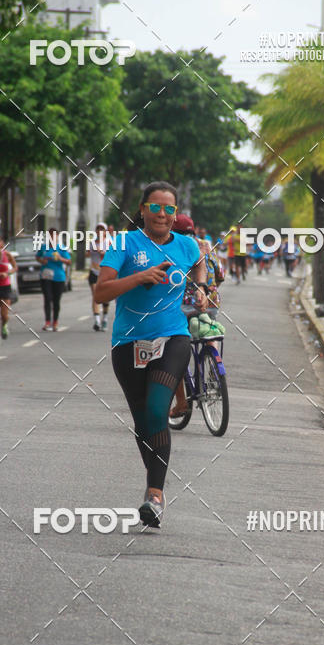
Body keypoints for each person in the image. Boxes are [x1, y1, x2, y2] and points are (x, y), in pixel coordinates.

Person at [94, 181, 207, 528]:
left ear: (176, 214)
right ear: (142, 209)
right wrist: (139, 276)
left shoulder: (186, 245)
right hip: (127, 343)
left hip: (172, 336)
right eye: (155, 207)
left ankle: (154, 495)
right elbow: (101, 293)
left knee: (159, 409)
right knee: (144, 422)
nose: (162, 214)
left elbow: (200, 259)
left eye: (169, 209)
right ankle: (155, 484)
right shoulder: (124, 243)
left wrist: (200, 287)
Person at [169, 214, 225, 419]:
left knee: (175, 347)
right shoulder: (207, 246)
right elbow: (221, 275)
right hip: (211, 302)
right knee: (208, 331)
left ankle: (182, 402)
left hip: (184, 305)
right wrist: (211, 289)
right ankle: (214, 367)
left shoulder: (177, 247)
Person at [36, 228, 71, 331]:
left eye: (54, 235)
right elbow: (37, 257)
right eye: (50, 235)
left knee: (56, 300)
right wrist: (42, 261)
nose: (52, 237)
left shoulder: (62, 248)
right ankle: (47, 321)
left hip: (59, 277)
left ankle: (55, 322)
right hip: (46, 275)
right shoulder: (43, 247)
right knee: (47, 297)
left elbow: (69, 262)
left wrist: (60, 258)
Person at [88, 223, 110, 330]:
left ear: (105, 231)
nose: (99, 231)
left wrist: (102, 252)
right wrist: (91, 251)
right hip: (94, 271)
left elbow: (113, 255)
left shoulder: (109, 242)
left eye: (102, 229)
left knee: (105, 296)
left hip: (105, 272)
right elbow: (86, 254)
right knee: (95, 295)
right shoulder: (92, 242)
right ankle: (97, 321)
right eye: (98, 229)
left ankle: (105, 319)